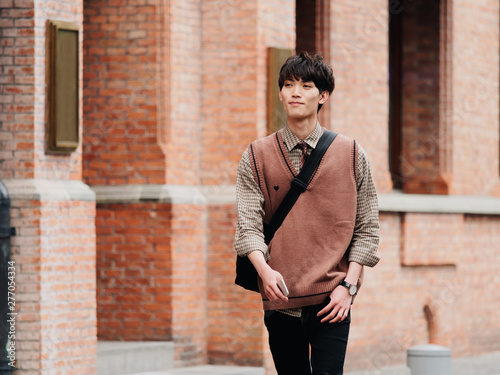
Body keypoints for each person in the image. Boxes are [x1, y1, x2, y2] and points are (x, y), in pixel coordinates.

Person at [234, 52, 380, 375]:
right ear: (281, 93)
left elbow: (367, 229)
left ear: (323, 96)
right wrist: (264, 271)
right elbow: (248, 228)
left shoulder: (352, 154)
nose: (295, 92)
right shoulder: (256, 156)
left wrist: (349, 288)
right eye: (288, 85)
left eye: (305, 85)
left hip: (333, 301)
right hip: (281, 301)